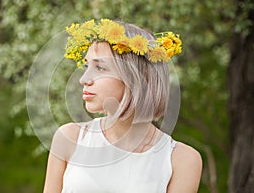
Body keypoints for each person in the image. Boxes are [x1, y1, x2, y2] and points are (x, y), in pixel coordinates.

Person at [43, 19, 202, 193]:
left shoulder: (182, 159)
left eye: (100, 68)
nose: (83, 79)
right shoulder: (69, 138)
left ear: (137, 78)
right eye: (87, 66)